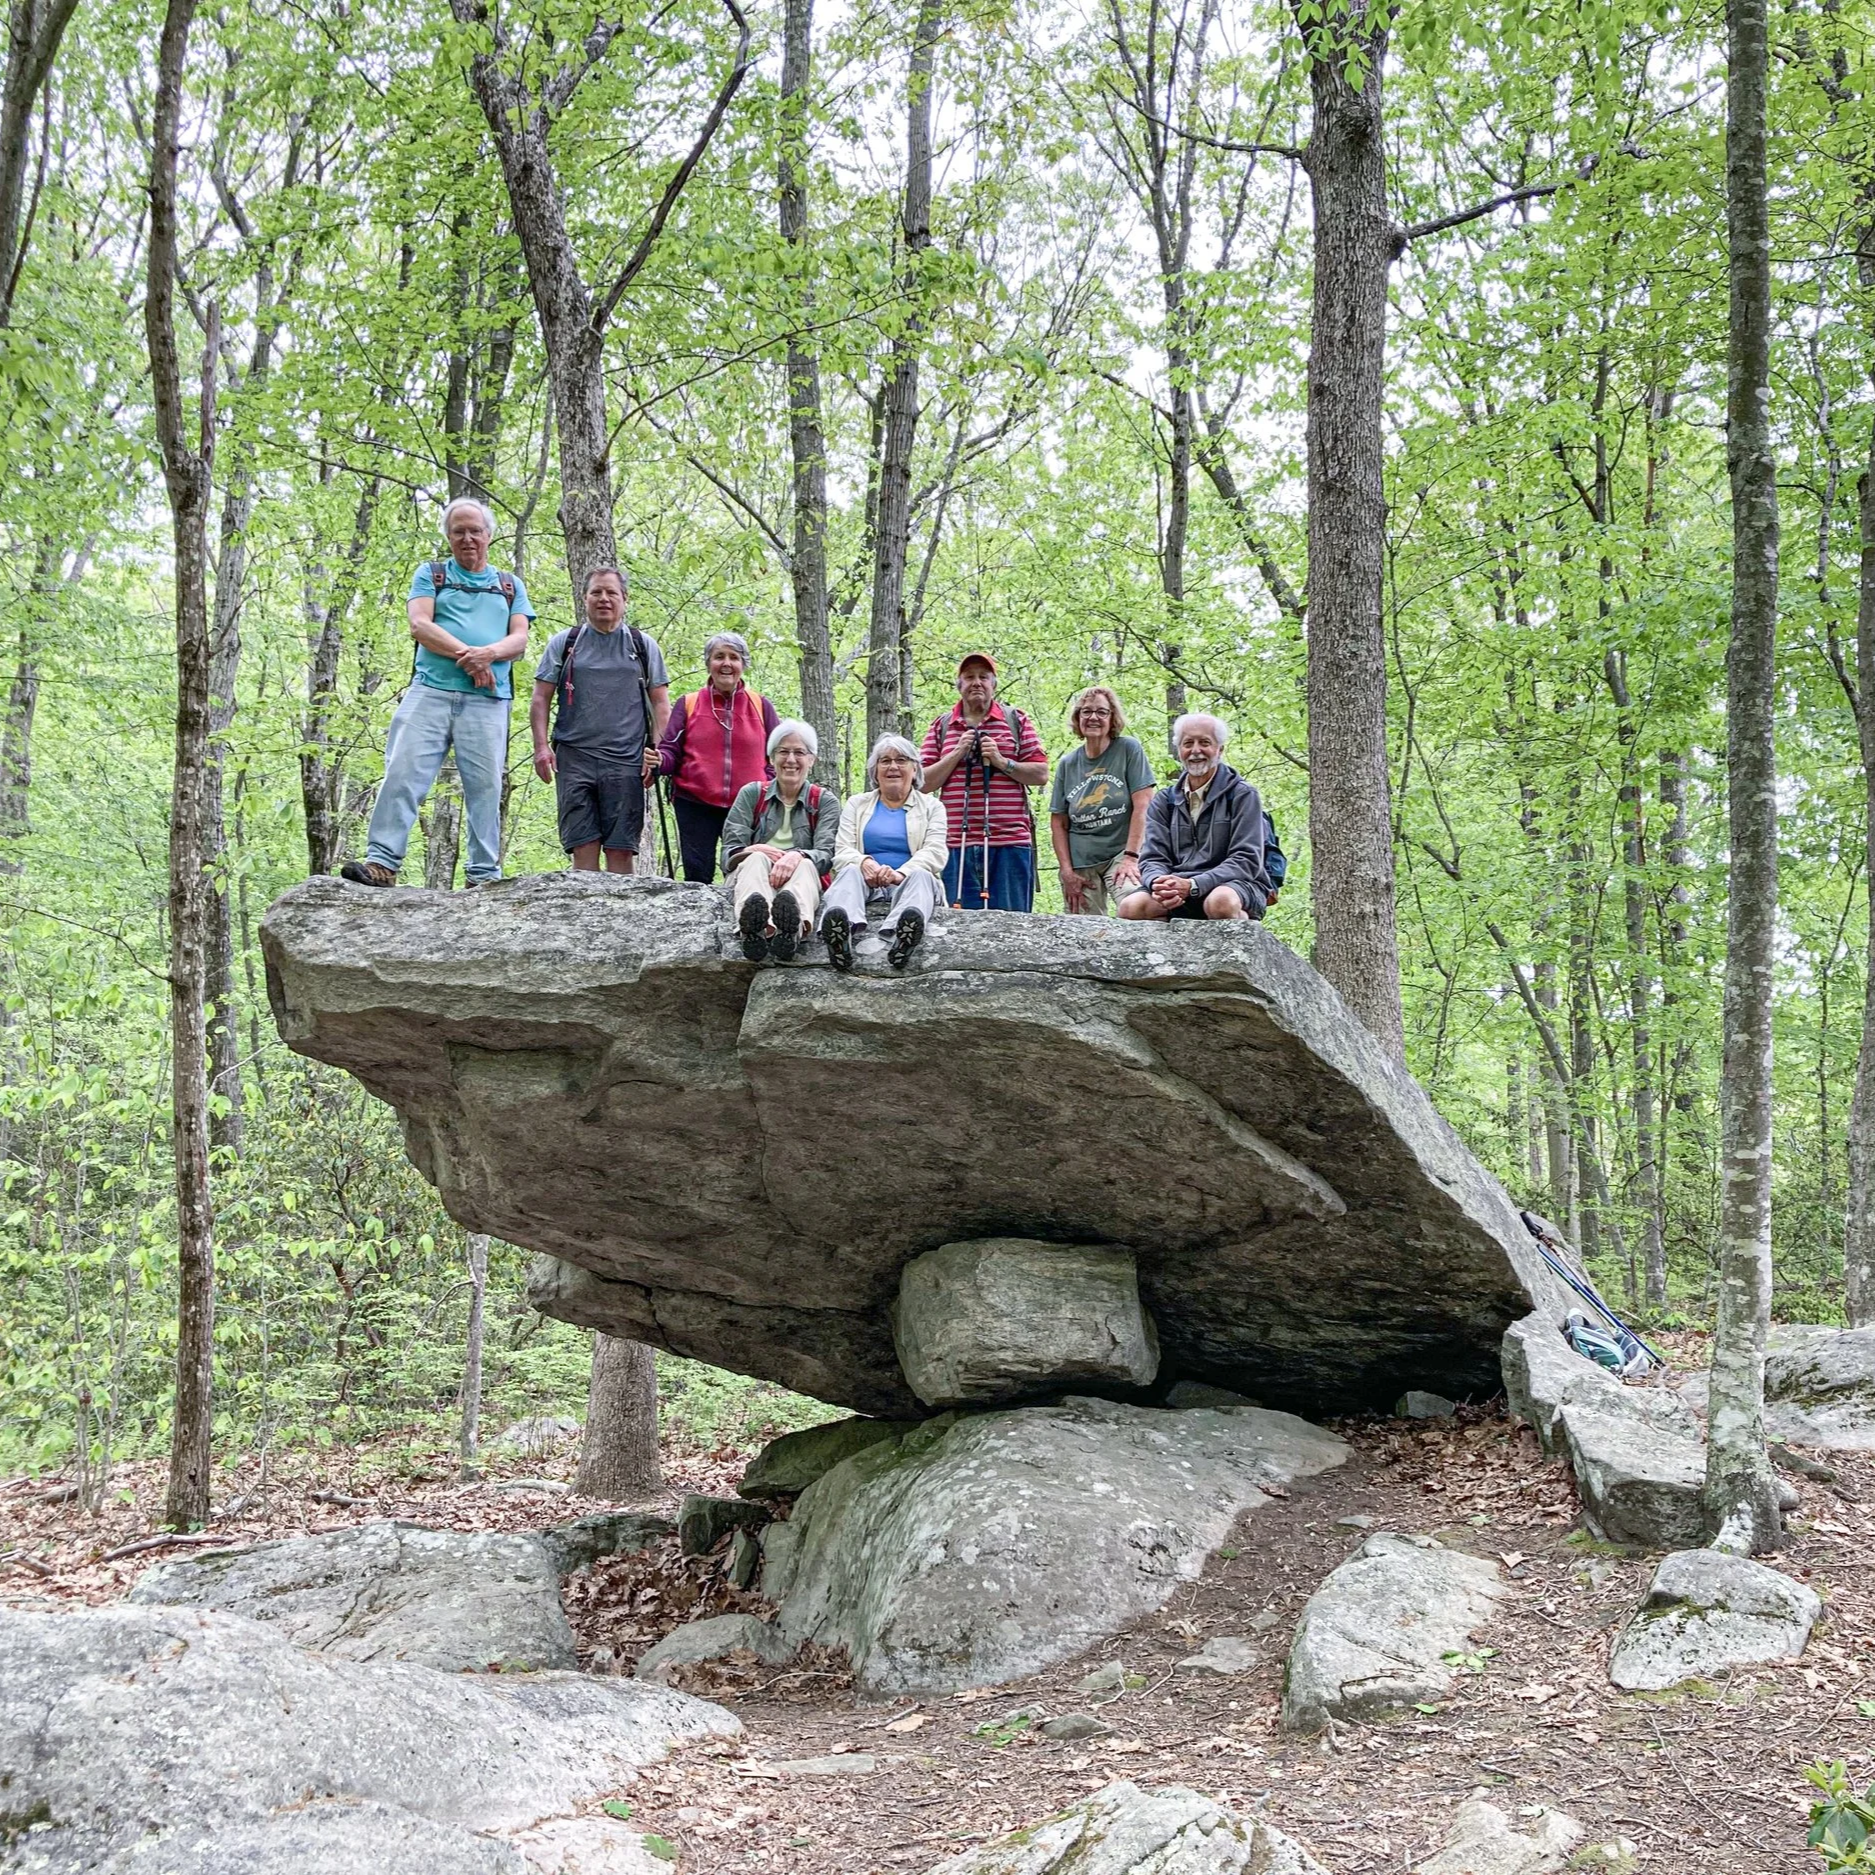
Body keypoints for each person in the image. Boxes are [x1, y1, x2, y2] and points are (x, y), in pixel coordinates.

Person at [342, 498, 535, 889]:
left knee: (485, 787)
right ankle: (382, 863)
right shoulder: (431, 574)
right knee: (402, 773)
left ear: (489, 535)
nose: (468, 539)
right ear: (448, 537)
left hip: (488, 702)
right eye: (459, 531)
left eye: (475, 531)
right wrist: (472, 658)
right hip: (429, 692)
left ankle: (483, 875)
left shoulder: (510, 585)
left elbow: (519, 640)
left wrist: (489, 654)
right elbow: (420, 625)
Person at [529, 566, 670, 873]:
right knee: (583, 845)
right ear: (585, 598)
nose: (603, 599)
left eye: (611, 593)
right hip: (574, 759)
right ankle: (586, 920)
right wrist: (541, 748)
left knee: (621, 850)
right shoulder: (565, 643)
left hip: (626, 760)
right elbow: (540, 698)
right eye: (596, 592)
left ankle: (621, 919)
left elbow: (661, 704)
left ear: (624, 599)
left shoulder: (642, 646)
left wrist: (657, 753)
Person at [919, 652, 1047, 910]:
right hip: (956, 844)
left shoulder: (1016, 720)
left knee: (1013, 925)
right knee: (959, 929)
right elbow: (921, 782)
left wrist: (1001, 761)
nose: (976, 682)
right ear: (960, 685)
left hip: (1010, 843)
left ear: (993, 684)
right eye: (969, 677)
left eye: (983, 677)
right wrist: (957, 753)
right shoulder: (941, 726)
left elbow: (1040, 774)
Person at [657, 628, 780, 882]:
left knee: (746, 872)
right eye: (719, 656)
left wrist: (765, 785)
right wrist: (659, 761)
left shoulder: (761, 705)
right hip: (694, 803)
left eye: (734, 657)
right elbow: (670, 752)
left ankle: (745, 921)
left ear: (743, 664)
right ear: (708, 664)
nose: (726, 663)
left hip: (747, 806)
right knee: (697, 875)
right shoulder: (689, 703)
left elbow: (777, 755)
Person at [1118, 712, 1268, 922]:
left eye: (1205, 742)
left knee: (1220, 903)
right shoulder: (1165, 801)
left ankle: (1244, 942)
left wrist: (1194, 886)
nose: (1195, 750)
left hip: (1235, 884)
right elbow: (1153, 857)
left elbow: (1246, 859)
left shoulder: (1242, 795)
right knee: (1131, 908)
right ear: (1179, 751)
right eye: (1188, 743)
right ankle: (1170, 955)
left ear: (1220, 749)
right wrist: (1160, 884)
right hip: (1179, 886)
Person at [820, 735, 947, 971]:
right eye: (885, 761)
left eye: (901, 760)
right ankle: (840, 936)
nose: (893, 767)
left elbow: (935, 852)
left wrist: (901, 873)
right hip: (867, 884)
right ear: (875, 770)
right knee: (848, 872)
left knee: (922, 876)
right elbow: (842, 848)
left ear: (915, 769)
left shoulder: (932, 807)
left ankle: (903, 937)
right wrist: (864, 862)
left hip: (908, 884)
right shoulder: (857, 804)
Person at [720, 720, 839, 963]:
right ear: (772, 758)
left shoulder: (824, 801)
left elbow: (827, 854)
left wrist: (798, 855)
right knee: (756, 860)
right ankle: (754, 929)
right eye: (783, 752)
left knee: (806, 865)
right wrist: (754, 849)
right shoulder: (752, 794)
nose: (791, 760)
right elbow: (728, 854)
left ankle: (790, 931)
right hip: (752, 874)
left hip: (801, 877)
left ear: (812, 759)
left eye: (799, 752)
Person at [1048, 685, 1155, 915]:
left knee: (1139, 908)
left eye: (1101, 712)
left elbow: (1143, 806)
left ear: (1112, 717)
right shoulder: (1068, 764)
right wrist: (1066, 871)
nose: (1093, 717)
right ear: (1078, 718)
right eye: (1086, 712)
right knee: (1084, 934)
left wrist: (1131, 857)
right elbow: (1058, 822)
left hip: (1122, 854)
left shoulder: (1128, 749)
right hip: (1081, 862)